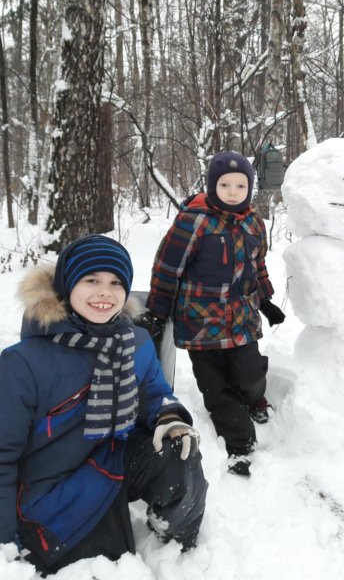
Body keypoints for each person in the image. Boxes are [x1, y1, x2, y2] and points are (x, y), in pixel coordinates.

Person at [0, 235, 207, 575]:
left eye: (115, 283)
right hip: (57, 492)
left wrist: (168, 417)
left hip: (114, 457)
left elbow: (153, 391)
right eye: (91, 280)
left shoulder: (134, 341)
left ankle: (175, 550)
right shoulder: (22, 363)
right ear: (67, 286)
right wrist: (5, 543)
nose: (104, 292)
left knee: (180, 451)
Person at [140, 151, 285, 477]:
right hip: (200, 323)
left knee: (248, 375)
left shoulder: (253, 222)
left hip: (241, 320)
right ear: (211, 185)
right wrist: (158, 310)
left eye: (240, 185)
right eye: (225, 184)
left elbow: (257, 265)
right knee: (216, 386)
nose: (233, 191)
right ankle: (239, 446)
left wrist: (266, 300)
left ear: (249, 187)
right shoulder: (193, 220)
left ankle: (254, 397)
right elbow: (167, 268)